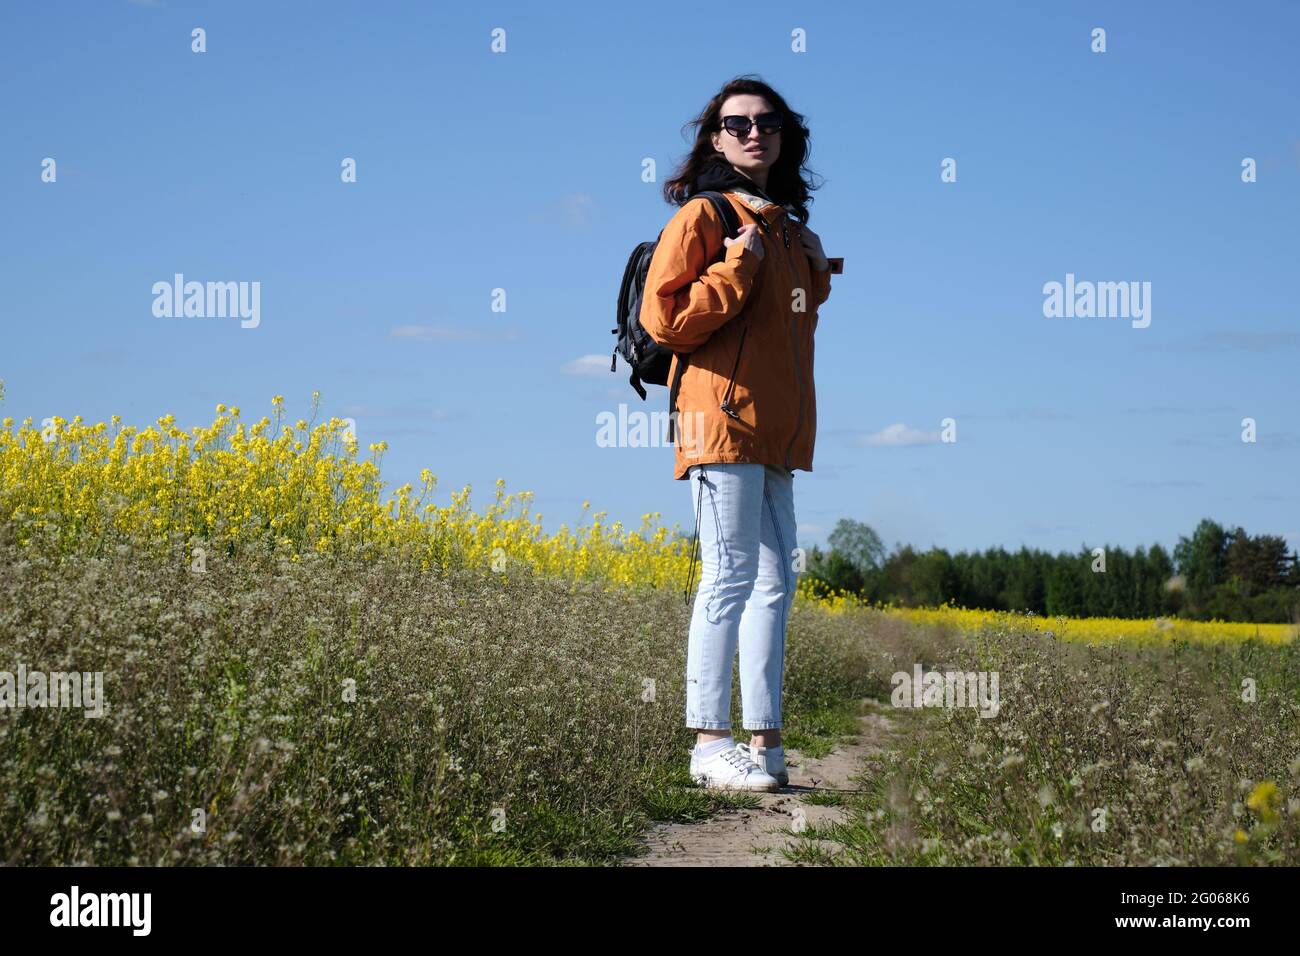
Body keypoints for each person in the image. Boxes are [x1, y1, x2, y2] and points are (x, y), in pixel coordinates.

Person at [639, 76, 832, 791]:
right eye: (738, 123)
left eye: (768, 122)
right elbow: (665, 322)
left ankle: (765, 742)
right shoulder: (704, 216)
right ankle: (707, 743)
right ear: (716, 139)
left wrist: (807, 262)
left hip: (773, 428)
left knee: (775, 585)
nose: (755, 132)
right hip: (717, 419)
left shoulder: (783, 224)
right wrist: (736, 265)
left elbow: (793, 322)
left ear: (785, 135)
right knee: (726, 577)